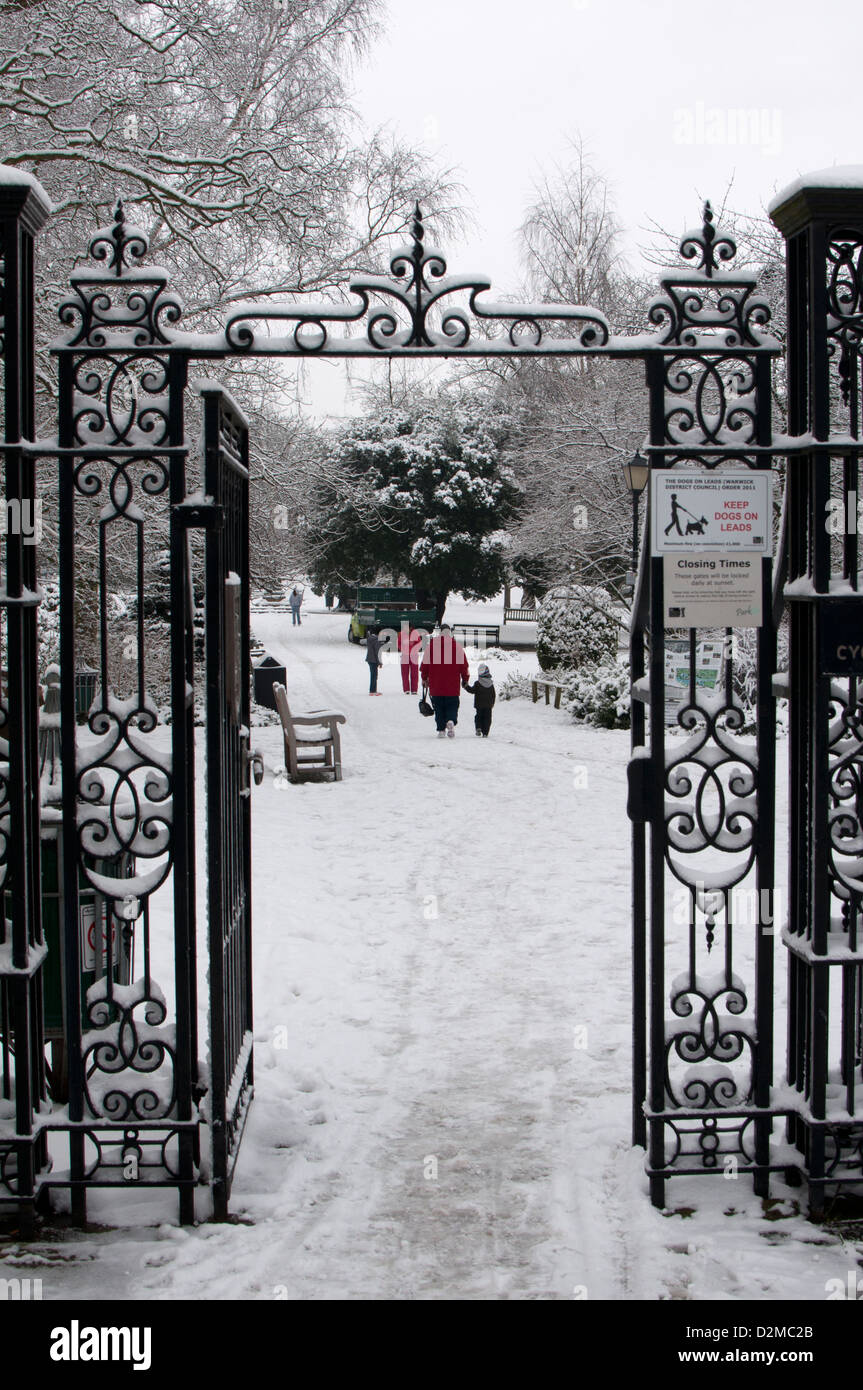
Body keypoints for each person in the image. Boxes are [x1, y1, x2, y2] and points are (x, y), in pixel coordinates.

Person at [420, 624, 469, 737]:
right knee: (452, 706)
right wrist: (465, 680)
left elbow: (425, 665)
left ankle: (441, 730)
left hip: (436, 685)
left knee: (439, 708)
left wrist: (424, 678)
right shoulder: (456, 647)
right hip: (452, 686)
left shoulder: (432, 646)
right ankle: (451, 721)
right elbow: (464, 666)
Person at [463, 662, 496, 737]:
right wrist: (492, 703)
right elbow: (493, 695)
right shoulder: (491, 684)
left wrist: (466, 686)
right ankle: (485, 732)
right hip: (488, 705)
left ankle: (478, 728)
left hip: (479, 705)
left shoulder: (477, 683)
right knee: (487, 718)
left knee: (478, 716)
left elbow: (472, 690)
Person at [398, 624, 424, 694]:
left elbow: (419, 643)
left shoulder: (415, 633)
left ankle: (414, 690)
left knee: (414, 673)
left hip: (414, 655)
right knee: (404, 673)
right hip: (405, 655)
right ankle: (406, 689)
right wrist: (403, 649)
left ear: (411, 628)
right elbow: (399, 643)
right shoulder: (402, 634)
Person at [365, 625, 388, 695]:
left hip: (369, 659)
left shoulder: (369, 638)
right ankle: (372, 691)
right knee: (374, 675)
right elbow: (378, 652)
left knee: (373, 675)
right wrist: (380, 662)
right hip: (374, 660)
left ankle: (373, 690)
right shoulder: (377, 640)